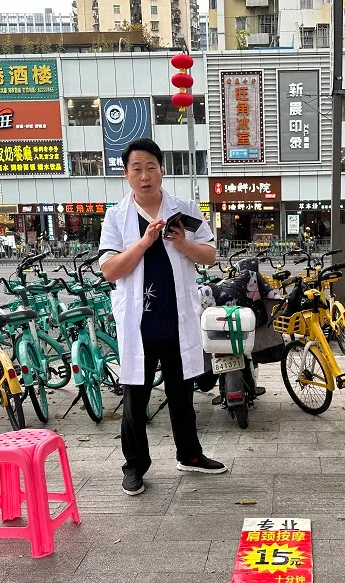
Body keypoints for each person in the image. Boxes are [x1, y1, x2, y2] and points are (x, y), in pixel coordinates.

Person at [99, 138, 225, 497]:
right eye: (136, 168)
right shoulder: (116, 217)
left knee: (181, 393)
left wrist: (183, 243)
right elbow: (110, 270)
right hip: (138, 325)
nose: (144, 175)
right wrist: (143, 242)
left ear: (162, 170)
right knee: (135, 399)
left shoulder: (184, 208)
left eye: (150, 167)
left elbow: (210, 255)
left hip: (175, 319)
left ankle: (190, 454)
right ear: (126, 175)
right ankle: (135, 465)